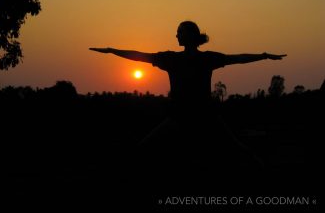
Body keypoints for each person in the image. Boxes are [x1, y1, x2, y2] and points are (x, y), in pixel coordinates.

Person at [89, 21, 286, 171]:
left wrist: (263, 55)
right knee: (147, 148)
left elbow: (238, 58)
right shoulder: (175, 58)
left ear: (191, 35)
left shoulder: (198, 58)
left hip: (203, 116)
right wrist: (112, 51)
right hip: (182, 116)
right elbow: (139, 55)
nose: (176, 35)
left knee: (236, 148)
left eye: (180, 31)